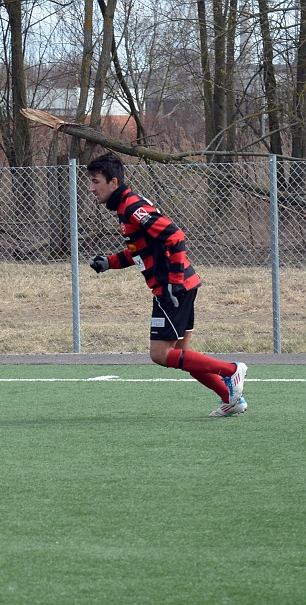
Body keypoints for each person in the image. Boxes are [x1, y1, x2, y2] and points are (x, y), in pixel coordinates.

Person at [86, 152, 248, 417]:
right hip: (183, 284)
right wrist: (109, 262)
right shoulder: (124, 208)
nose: (91, 188)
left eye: (95, 181)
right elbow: (142, 250)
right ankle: (231, 399)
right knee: (182, 355)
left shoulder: (131, 207)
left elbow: (175, 236)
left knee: (160, 354)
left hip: (173, 288)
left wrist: (172, 282)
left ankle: (232, 370)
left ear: (113, 182)